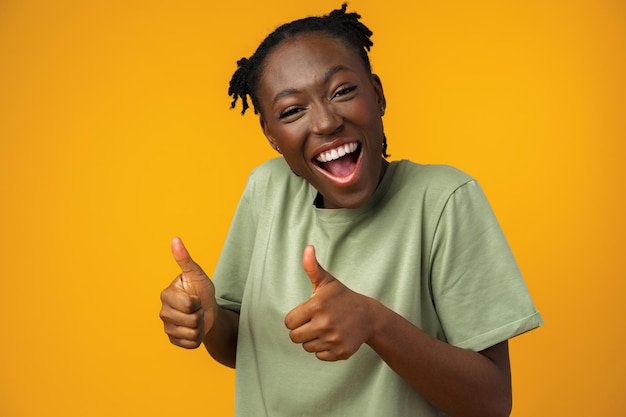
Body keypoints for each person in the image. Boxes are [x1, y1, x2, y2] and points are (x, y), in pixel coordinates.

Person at [159, 4, 543, 417]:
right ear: (271, 134)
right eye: (292, 111)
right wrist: (211, 317)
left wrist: (375, 323)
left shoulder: (443, 200)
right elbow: (244, 349)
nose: (325, 122)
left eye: (342, 91)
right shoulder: (266, 189)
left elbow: (491, 402)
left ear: (377, 94)